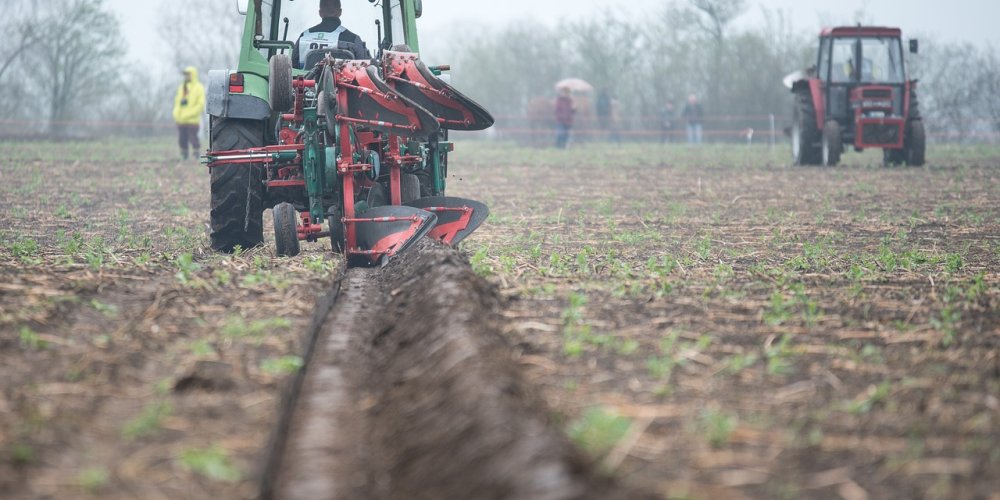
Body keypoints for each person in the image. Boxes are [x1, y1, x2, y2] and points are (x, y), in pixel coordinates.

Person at [292, 0, 368, 69]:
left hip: (306, 83)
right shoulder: (353, 40)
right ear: (340, 12)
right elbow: (365, 67)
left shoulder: (304, 36)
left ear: (320, 13)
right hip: (342, 83)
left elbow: (292, 66)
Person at [172, 66, 205, 161]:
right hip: (181, 120)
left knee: (193, 138)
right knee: (182, 139)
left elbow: (200, 104)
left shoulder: (199, 87)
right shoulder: (181, 87)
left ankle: (196, 155)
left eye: (188, 74)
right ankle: (184, 156)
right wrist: (176, 114)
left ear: (193, 75)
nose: (186, 76)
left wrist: (190, 114)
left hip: (192, 120)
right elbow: (177, 102)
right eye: (185, 74)